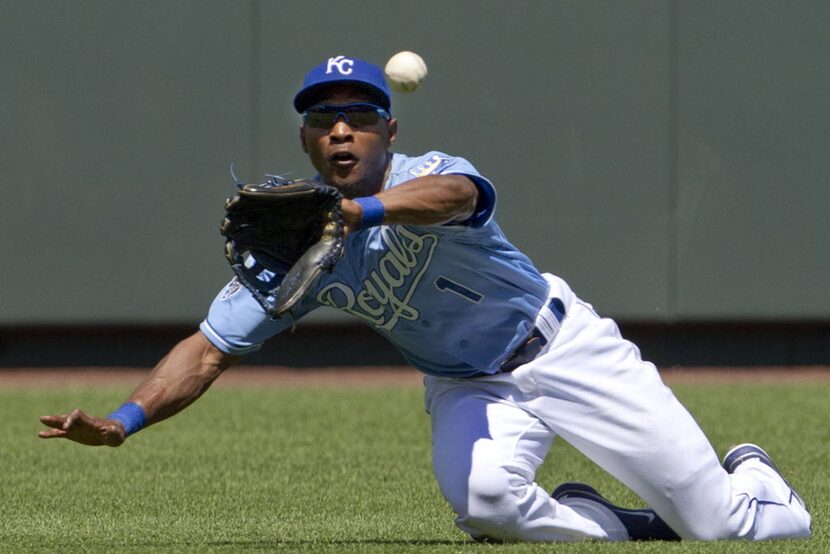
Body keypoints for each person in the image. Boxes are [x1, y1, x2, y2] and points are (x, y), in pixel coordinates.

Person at [39, 55, 812, 543]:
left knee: (722, 529)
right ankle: (620, 525)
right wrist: (125, 420)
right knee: (486, 507)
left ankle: (757, 479)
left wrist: (360, 212)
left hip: (562, 347)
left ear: (389, 130)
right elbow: (208, 349)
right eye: (322, 120)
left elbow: (456, 195)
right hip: (467, 384)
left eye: (360, 117)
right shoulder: (297, 242)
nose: (342, 130)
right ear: (307, 141)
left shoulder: (426, 171)